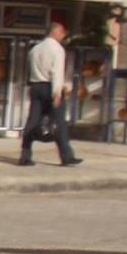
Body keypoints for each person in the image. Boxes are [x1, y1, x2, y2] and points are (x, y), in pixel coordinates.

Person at [20, 18, 83, 167]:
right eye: (62, 32)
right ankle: (66, 156)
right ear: (55, 32)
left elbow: (29, 69)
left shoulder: (35, 49)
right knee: (59, 122)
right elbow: (57, 73)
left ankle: (25, 155)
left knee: (32, 121)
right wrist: (57, 93)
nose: (63, 35)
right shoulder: (57, 49)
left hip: (35, 86)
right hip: (50, 87)